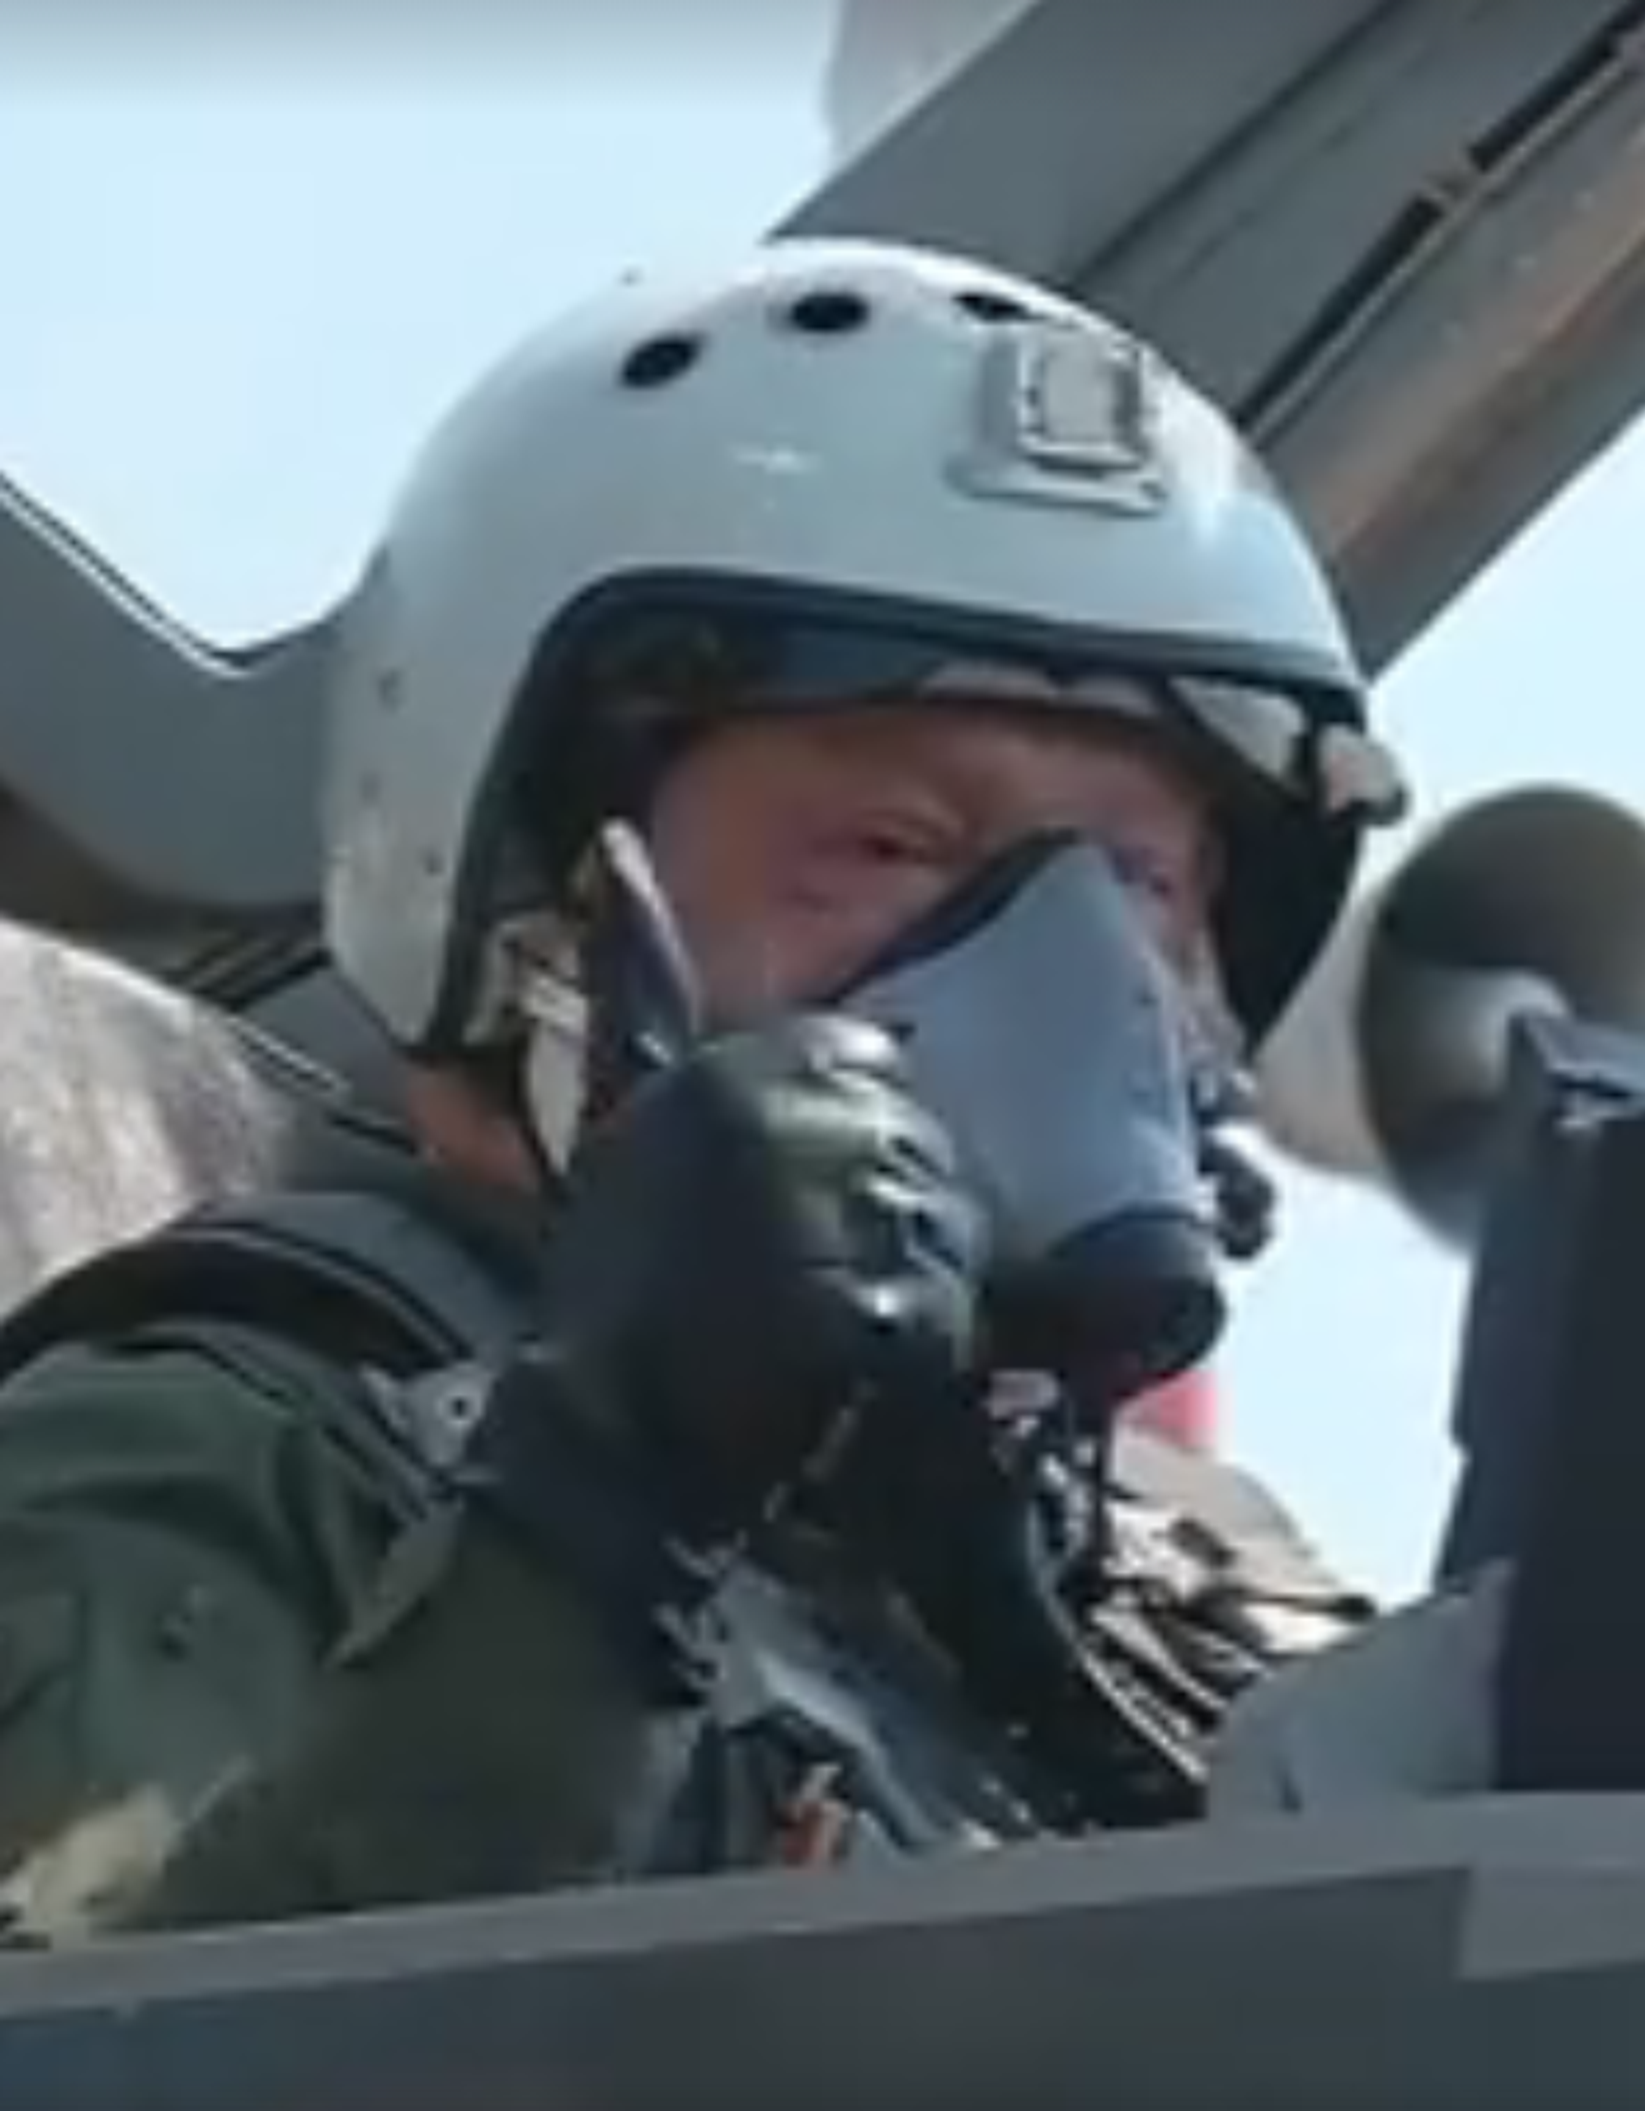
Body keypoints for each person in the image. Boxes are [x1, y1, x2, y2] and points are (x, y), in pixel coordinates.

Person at [0, 237, 1407, 1943]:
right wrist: (594, 1519)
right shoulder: (218, 1469)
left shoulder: (1216, 1609)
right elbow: (102, 2036)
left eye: (1143, 884)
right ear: (530, 894)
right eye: (890, 845)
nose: (1070, 974)